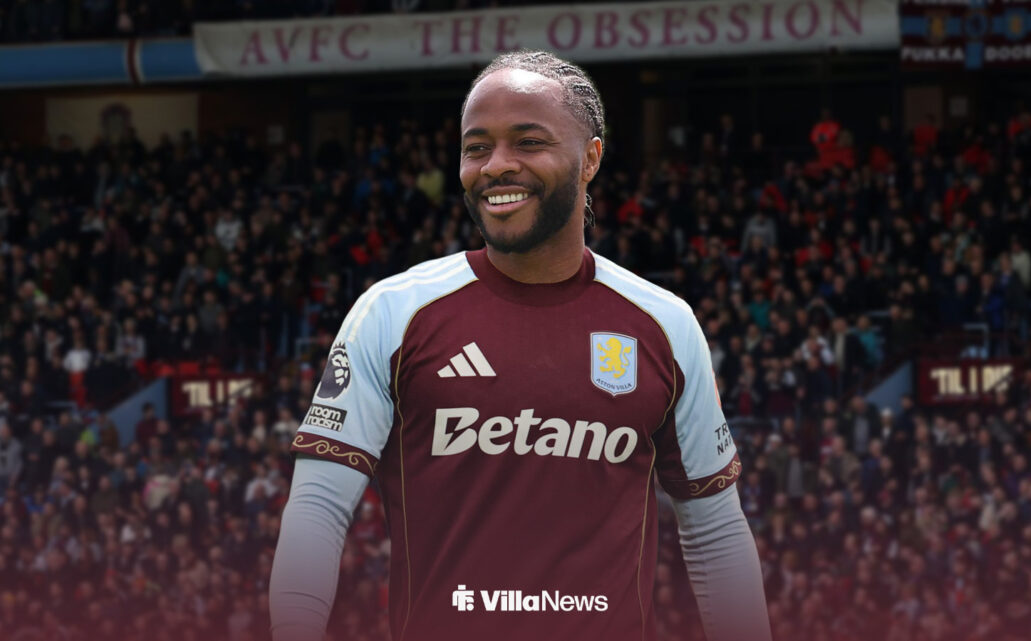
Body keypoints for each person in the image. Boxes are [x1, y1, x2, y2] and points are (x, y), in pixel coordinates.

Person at [269, 50, 771, 641]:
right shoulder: (393, 312)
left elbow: (715, 533)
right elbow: (318, 509)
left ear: (590, 159)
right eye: (476, 147)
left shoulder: (665, 324)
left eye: (527, 142)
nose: (496, 166)